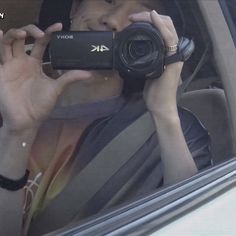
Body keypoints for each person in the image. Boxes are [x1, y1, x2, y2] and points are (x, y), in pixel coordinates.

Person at [0, 0, 212, 235]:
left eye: (142, 11)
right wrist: (16, 131)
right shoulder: (8, 96)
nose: (112, 19)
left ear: (163, 37)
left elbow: (195, 223)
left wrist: (165, 113)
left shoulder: (175, 131)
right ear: (74, 8)